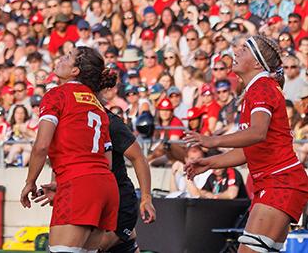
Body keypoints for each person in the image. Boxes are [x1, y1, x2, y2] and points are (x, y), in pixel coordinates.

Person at [185, 34, 308, 253]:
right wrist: (211, 162)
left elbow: (257, 133)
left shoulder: (261, 86)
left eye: (245, 48)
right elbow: (248, 150)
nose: (236, 51)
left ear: (258, 62)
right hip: (277, 181)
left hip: (279, 181)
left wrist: (212, 140)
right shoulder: (257, 87)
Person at [39, 71, 157, 252]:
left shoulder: (109, 121)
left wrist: (146, 198)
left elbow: (138, 157)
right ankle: (128, 242)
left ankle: (127, 238)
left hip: (117, 201)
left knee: (81, 248)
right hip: (90, 197)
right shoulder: (72, 120)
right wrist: (59, 185)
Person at [21, 47, 120, 252]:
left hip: (79, 184)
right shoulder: (98, 104)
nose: (60, 59)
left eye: (67, 57)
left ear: (75, 71)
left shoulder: (57, 95)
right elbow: (107, 161)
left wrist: (30, 182)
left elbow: (41, 146)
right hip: (106, 187)